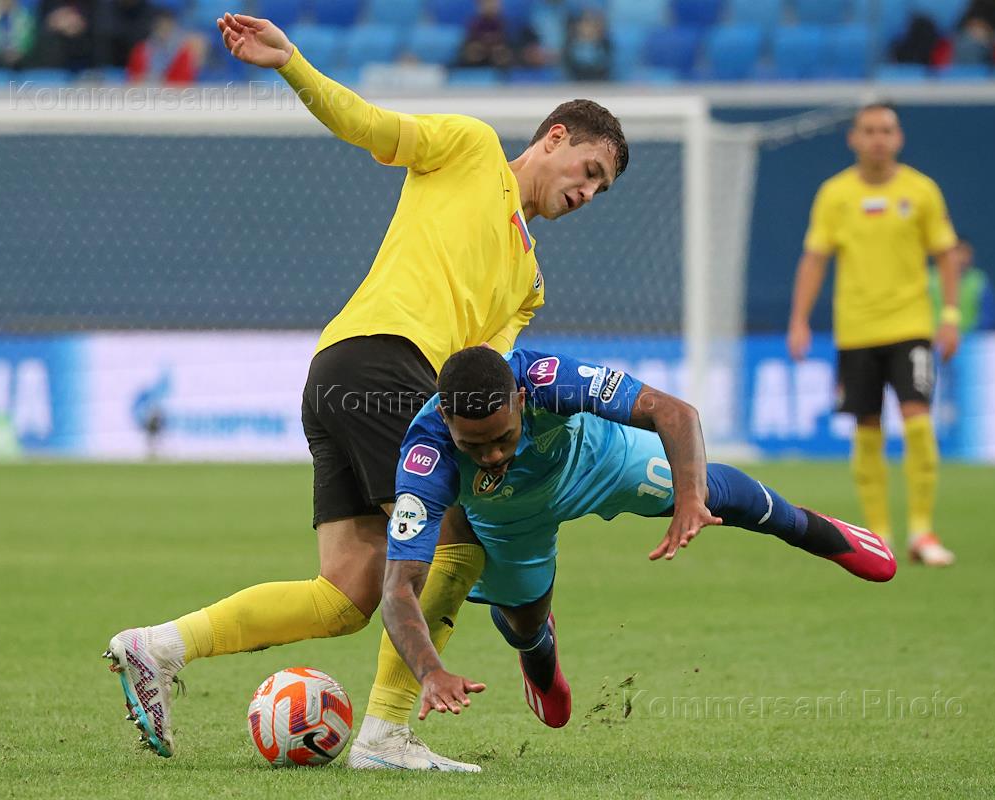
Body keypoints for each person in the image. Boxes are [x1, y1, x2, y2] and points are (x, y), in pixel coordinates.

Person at [103, 10, 628, 772]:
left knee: (347, 592)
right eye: (590, 170)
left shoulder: (529, 282)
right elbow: (367, 125)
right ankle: (385, 736)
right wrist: (291, 64)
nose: (590, 192)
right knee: (457, 540)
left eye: (602, 188)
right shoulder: (472, 147)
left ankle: (156, 647)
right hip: (383, 364)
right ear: (555, 138)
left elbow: (486, 382)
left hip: (345, 377)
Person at [381, 347, 896, 731]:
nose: (492, 455)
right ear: (445, 419)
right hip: (510, 518)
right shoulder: (425, 459)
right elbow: (398, 588)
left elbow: (674, 412)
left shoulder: (547, 378)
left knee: (711, 492)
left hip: (597, 462)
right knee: (524, 622)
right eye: (474, 446)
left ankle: (818, 532)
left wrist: (690, 500)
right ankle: (539, 657)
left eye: (502, 438)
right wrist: (430, 672)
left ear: (519, 400)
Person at [787, 102, 960, 567]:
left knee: (917, 419)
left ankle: (922, 530)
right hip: (856, 331)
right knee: (867, 428)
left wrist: (950, 315)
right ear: (854, 139)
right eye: (869, 130)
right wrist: (799, 319)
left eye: (886, 130)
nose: (878, 139)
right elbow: (815, 259)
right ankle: (879, 533)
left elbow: (945, 254)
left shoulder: (921, 191)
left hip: (911, 326)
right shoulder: (835, 194)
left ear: (898, 138)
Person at [928, 239, 995, 334]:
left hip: (972, 339)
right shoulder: (929, 278)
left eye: (966, 253)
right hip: (933, 337)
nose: (962, 257)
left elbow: (988, 315)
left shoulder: (978, 279)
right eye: (958, 252)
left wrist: (969, 334)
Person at [125, 8, 204, 84]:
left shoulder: (182, 52)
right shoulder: (141, 50)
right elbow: (132, 77)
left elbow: (182, 82)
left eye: (167, 27)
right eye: (160, 27)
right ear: (154, 27)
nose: (163, 31)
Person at [0, 0, 35, 71]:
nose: (5, 3)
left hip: (19, 58)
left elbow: (28, 42)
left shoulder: (23, 17)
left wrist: (18, 53)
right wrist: (2, 53)